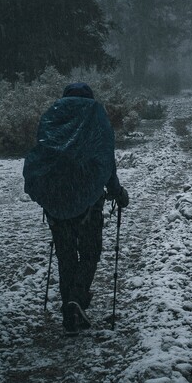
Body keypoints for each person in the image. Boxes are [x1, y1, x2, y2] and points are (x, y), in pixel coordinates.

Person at [23, 82, 129, 335]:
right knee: (90, 253)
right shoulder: (96, 116)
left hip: (57, 199)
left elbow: (42, 153)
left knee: (66, 255)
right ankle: (76, 299)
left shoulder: (53, 115)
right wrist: (117, 192)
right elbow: (105, 160)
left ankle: (69, 315)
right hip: (89, 199)